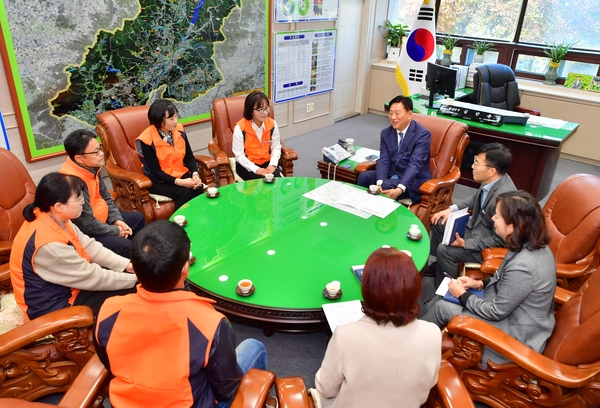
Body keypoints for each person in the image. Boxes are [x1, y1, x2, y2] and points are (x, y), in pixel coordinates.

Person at [95, 220, 267, 408]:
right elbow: (226, 389)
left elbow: (110, 364)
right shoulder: (209, 323)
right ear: (185, 268)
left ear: (135, 269)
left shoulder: (108, 311)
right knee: (254, 347)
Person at [421, 190, 556, 365]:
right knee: (445, 293)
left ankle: (410, 342)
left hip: (513, 333)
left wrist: (462, 295)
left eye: (498, 216)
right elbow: (506, 282)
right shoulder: (527, 244)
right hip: (509, 311)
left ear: (512, 226)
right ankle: (420, 332)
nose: (493, 218)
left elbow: (496, 312)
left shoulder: (524, 266)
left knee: (442, 307)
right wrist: (478, 283)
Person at [314, 248, 441, 407]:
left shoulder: (345, 336)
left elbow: (325, 389)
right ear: (415, 287)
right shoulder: (433, 333)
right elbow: (431, 382)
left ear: (367, 288)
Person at [9, 173, 137, 320]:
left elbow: (89, 246)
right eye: (78, 199)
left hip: (70, 286)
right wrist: (136, 279)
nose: (83, 202)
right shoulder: (48, 245)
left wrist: (127, 265)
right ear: (58, 206)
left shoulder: (54, 217)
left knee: (129, 281)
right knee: (134, 291)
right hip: (54, 307)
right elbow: (91, 276)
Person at [428, 143, 516, 288]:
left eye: (476, 163)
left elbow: (500, 240)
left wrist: (466, 244)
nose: (472, 166)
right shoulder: (493, 180)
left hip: (486, 244)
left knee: (444, 251)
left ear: (491, 171)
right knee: (439, 221)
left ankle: (444, 290)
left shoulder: (503, 199)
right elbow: (476, 198)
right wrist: (450, 209)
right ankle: (440, 265)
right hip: (475, 226)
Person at [60, 129, 145, 258]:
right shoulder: (72, 182)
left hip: (102, 218)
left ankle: (137, 258)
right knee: (125, 245)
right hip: (87, 232)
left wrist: (117, 220)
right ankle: (128, 269)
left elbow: (105, 197)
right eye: (96, 152)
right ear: (79, 158)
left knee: (137, 219)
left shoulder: (92, 167)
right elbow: (86, 224)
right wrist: (116, 231)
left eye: (100, 148)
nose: (101, 154)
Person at [357, 95, 431, 203]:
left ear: (409, 114)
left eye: (397, 113)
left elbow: (415, 164)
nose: (393, 117)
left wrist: (400, 188)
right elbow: (384, 160)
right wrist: (379, 183)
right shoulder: (386, 133)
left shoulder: (422, 135)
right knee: (364, 176)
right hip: (391, 174)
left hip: (413, 179)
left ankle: (379, 212)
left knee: (387, 184)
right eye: (390, 113)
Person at [136, 99, 204, 210]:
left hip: (179, 173)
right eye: (171, 118)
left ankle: (201, 222)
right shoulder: (146, 139)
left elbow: (189, 157)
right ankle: (177, 225)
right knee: (184, 193)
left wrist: (195, 174)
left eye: (176, 116)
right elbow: (155, 171)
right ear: (159, 120)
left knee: (198, 187)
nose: (175, 121)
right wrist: (180, 182)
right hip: (158, 181)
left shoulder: (179, 130)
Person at [231, 91, 282, 181]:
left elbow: (276, 147)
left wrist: (273, 165)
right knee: (260, 182)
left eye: (267, 108)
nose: (265, 112)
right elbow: (239, 155)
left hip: (267, 163)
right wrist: (256, 169)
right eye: (260, 109)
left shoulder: (272, 124)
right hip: (247, 165)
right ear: (251, 111)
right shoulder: (240, 127)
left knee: (275, 180)